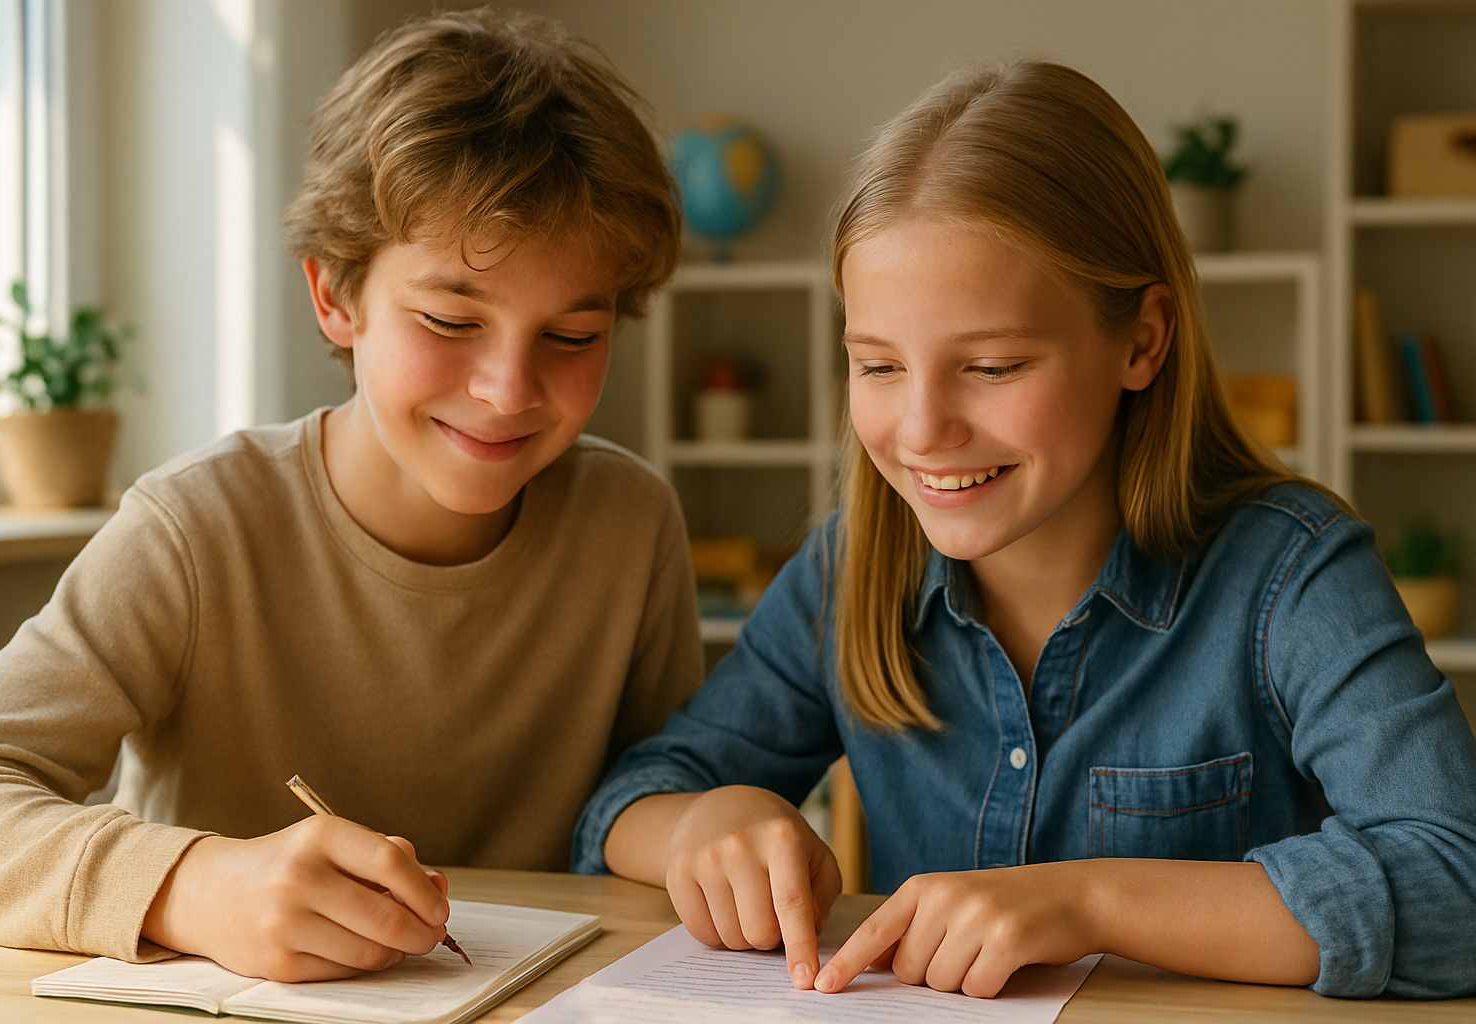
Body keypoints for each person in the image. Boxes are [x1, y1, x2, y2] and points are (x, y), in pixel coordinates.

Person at [576, 62, 1476, 1001]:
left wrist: (1090, 902)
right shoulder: (852, 568)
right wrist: (703, 822)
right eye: (877, 365)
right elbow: (622, 805)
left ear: (1142, 341)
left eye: (994, 366)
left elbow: (1458, 879)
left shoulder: (1292, 572)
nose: (922, 430)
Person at [0, 8, 699, 983]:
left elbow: (660, 797)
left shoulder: (631, 524)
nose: (509, 389)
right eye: (448, 317)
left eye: (571, 336)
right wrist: (192, 883)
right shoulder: (195, 528)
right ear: (335, 297)